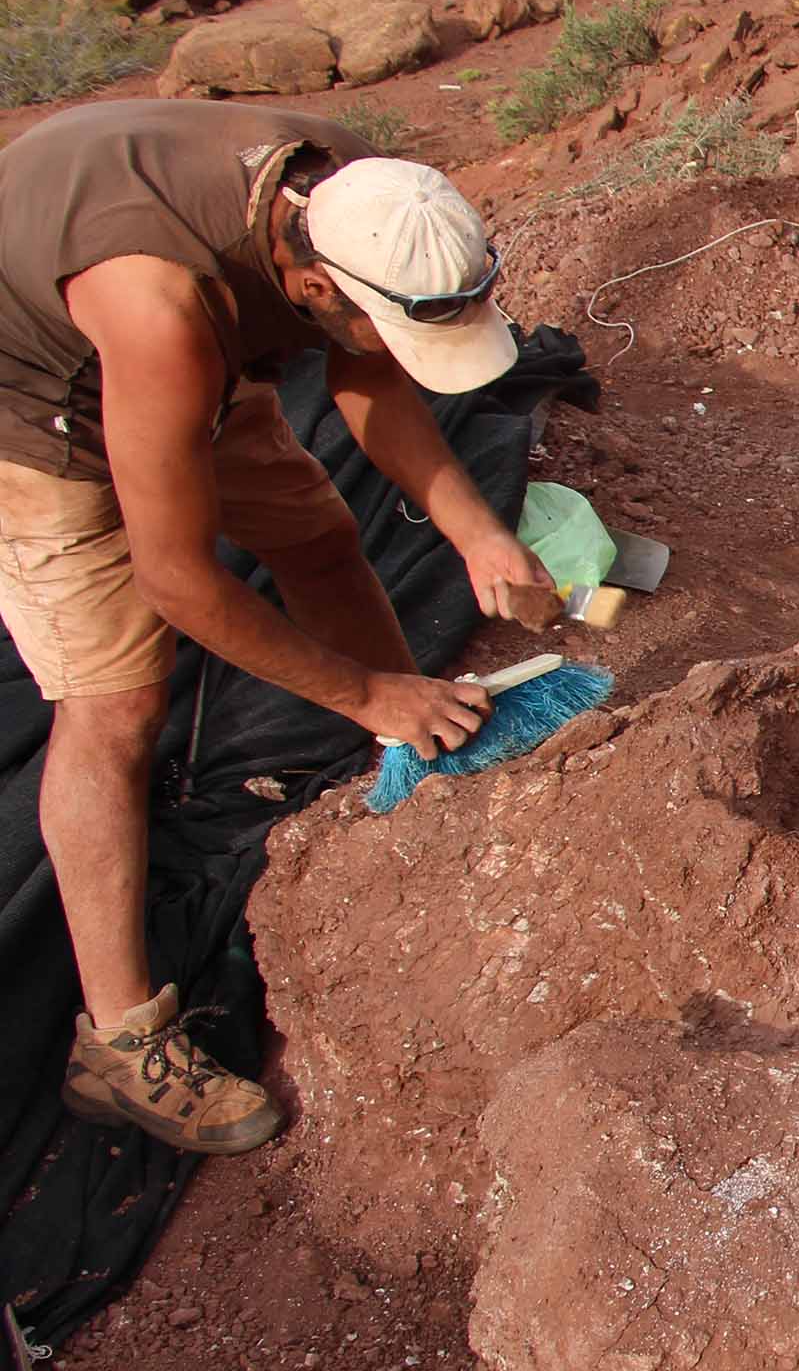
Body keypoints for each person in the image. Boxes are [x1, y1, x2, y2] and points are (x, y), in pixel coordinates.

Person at [0, 101, 554, 1155]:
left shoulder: (356, 200)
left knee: (320, 537)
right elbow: (175, 577)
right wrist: (358, 690)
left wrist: (479, 533)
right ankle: (117, 1044)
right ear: (307, 287)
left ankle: (418, 751)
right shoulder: (161, 311)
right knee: (116, 706)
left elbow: (372, 378)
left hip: (189, 350)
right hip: (34, 399)